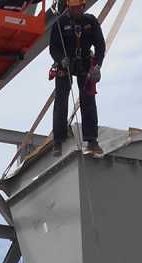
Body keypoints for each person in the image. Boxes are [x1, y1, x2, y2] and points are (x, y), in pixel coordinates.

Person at [49, 0, 106, 156]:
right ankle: (58, 141)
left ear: (83, 6)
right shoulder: (60, 23)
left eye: (79, 8)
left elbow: (100, 46)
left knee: (88, 99)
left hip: (85, 63)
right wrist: (61, 59)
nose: (76, 11)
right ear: (68, 8)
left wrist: (97, 66)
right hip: (65, 64)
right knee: (61, 100)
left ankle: (91, 140)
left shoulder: (90, 22)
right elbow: (53, 47)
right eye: (73, 9)